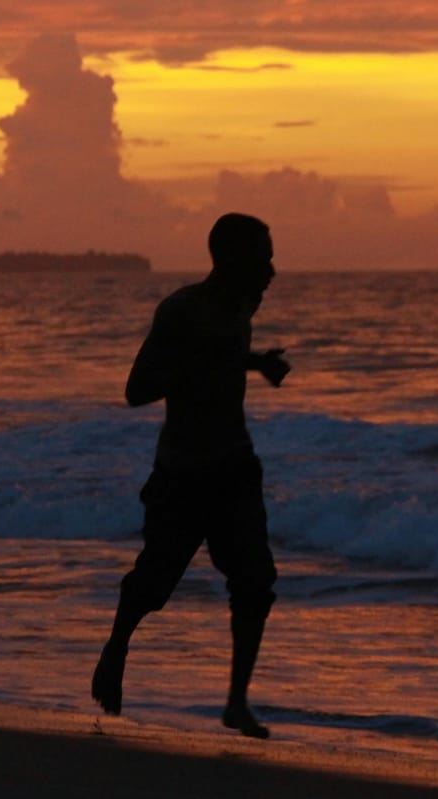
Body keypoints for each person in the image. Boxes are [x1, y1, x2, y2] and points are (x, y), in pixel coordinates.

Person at [91, 213, 289, 739]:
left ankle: (236, 703)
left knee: (255, 583)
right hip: (182, 473)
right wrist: (202, 368)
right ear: (231, 260)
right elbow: (137, 388)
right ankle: (116, 648)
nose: (272, 270)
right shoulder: (180, 310)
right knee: (154, 584)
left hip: (235, 469)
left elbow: (223, 351)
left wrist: (256, 363)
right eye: (262, 257)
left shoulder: (245, 303)